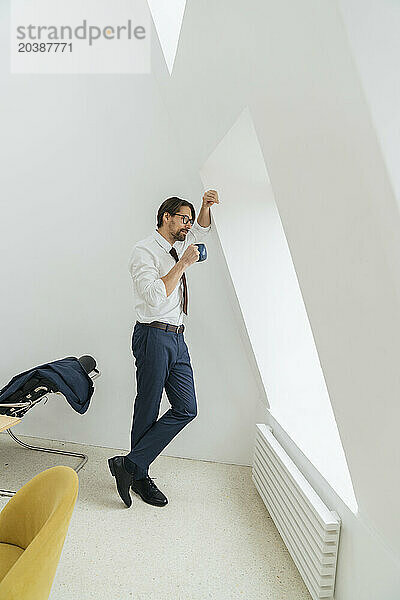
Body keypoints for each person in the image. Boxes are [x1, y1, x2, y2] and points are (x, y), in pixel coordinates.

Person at [109, 190, 219, 507]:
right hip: (152, 335)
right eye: (182, 219)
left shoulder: (178, 246)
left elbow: (202, 231)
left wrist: (204, 208)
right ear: (165, 218)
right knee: (148, 406)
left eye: (188, 220)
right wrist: (183, 263)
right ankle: (140, 477)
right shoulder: (143, 252)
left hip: (177, 338)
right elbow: (155, 297)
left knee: (187, 408)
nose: (187, 225)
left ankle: (128, 465)